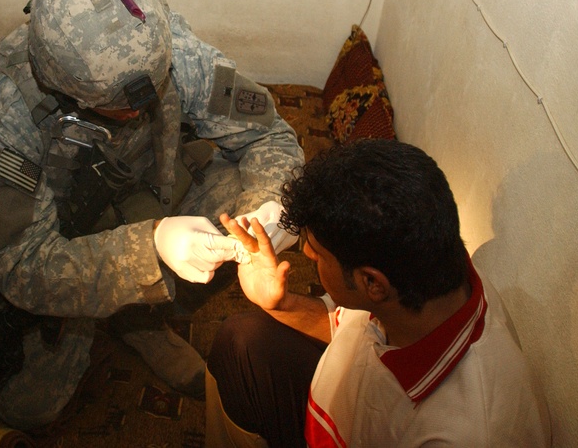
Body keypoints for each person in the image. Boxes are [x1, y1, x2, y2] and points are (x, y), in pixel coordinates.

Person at [0, 0, 304, 430]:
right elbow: (22, 265)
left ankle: (141, 323)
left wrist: (272, 207)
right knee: (31, 408)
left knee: (242, 211)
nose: (137, 112)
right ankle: (125, 307)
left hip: (154, 195)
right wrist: (151, 250)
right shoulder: (1, 105)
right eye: (116, 107)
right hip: (68, 240)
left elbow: (268, 133)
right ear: (62, 86)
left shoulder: (171, 51)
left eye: (149, 92)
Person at [206, 139, 551, 447]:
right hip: (347, 414)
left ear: (372, 284)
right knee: (240, 340)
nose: (307, 254)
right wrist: (280, 303)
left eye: (318, 253)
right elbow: (347, 329)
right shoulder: (427, 274)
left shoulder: (466, 433)